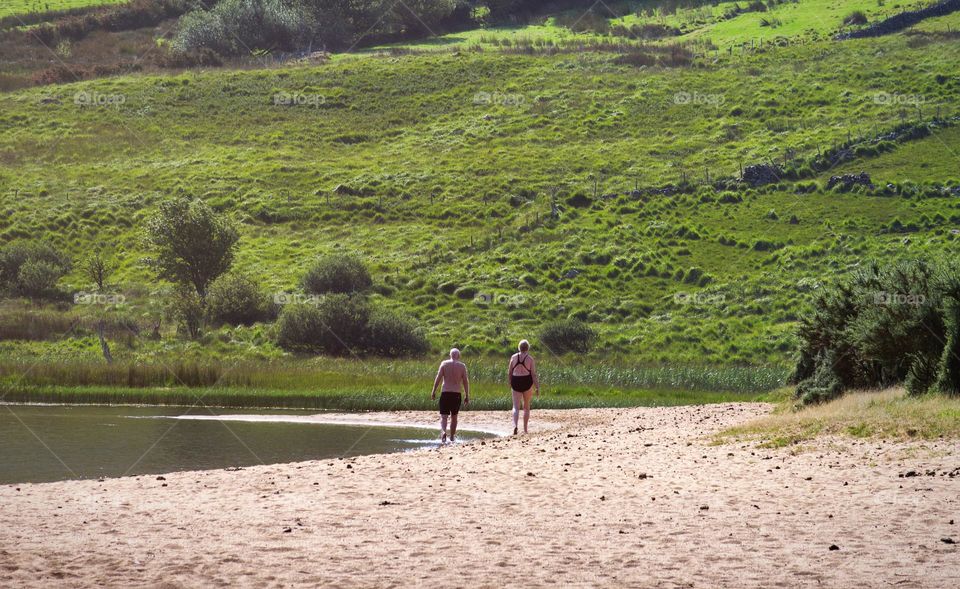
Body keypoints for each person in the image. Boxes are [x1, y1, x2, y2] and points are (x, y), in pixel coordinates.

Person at [431, 348, 470, 443]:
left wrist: (433, 391)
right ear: (459, 356)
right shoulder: (462, 366)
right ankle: (452, 437)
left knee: (444, 416)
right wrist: (467, 395)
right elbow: (465, 381)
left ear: (450, 355)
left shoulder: (444, 364)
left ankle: (444, 432)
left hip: (445, 393)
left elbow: (438, 378)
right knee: (454, 417)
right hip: (456, 394)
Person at [508, 339, 539, 435]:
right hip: (527, 382)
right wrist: (537, 386)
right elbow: (533, 374)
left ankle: (515, 426)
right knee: (526, 406)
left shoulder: (513, 357)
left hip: (516, 381)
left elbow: (509, 372)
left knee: (516, 407)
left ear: (519, 347)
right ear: (528, 348)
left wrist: (510, 383)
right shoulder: (530, 359)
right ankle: (525, 429)